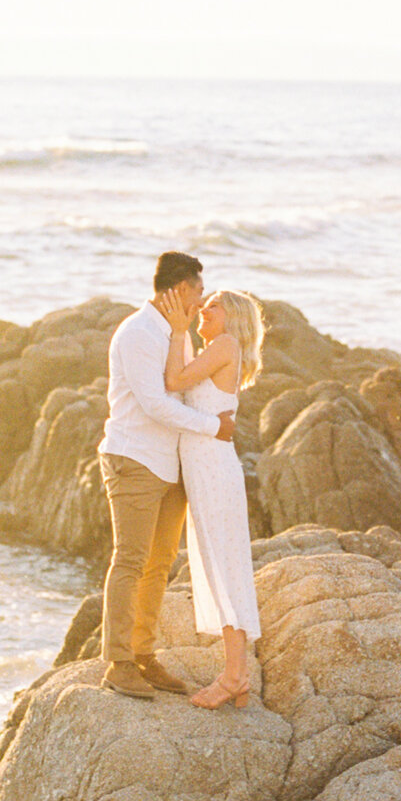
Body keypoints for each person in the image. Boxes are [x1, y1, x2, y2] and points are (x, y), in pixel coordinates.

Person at [95, 252, 236, 700]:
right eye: (197, 291)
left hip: (170, 463)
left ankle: (143, 655)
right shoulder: (137, 333)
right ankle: (118, 664)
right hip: (134, 458)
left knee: (158, 566)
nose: (200, 301)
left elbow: (185, 388)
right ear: (178, 289)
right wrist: (215, 428)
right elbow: (156, 404)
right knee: (131, 560)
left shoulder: (176, 334)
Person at [158, 285, 264, 708]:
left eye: (213, 306)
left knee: (224, 567)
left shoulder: (225, 344)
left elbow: (173, 381)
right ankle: (235, 673)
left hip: (214, 470)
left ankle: (235, 676)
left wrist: (177, 331)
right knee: (216, 565)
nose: (204, 309)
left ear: (231, 317)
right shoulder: (216, 348)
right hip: (205, 469)